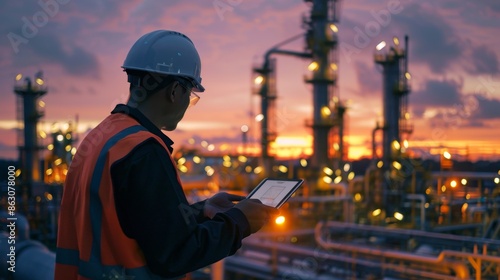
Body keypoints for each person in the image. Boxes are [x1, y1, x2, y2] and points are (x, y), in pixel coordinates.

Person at [55, 30, 278, 279]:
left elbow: (141, 222)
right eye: (190, 96)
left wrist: (202, 209)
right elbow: (176, 255)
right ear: (174, 91)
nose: (187, 105)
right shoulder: (144, 151)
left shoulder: (101, 137)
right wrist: (240, 221)